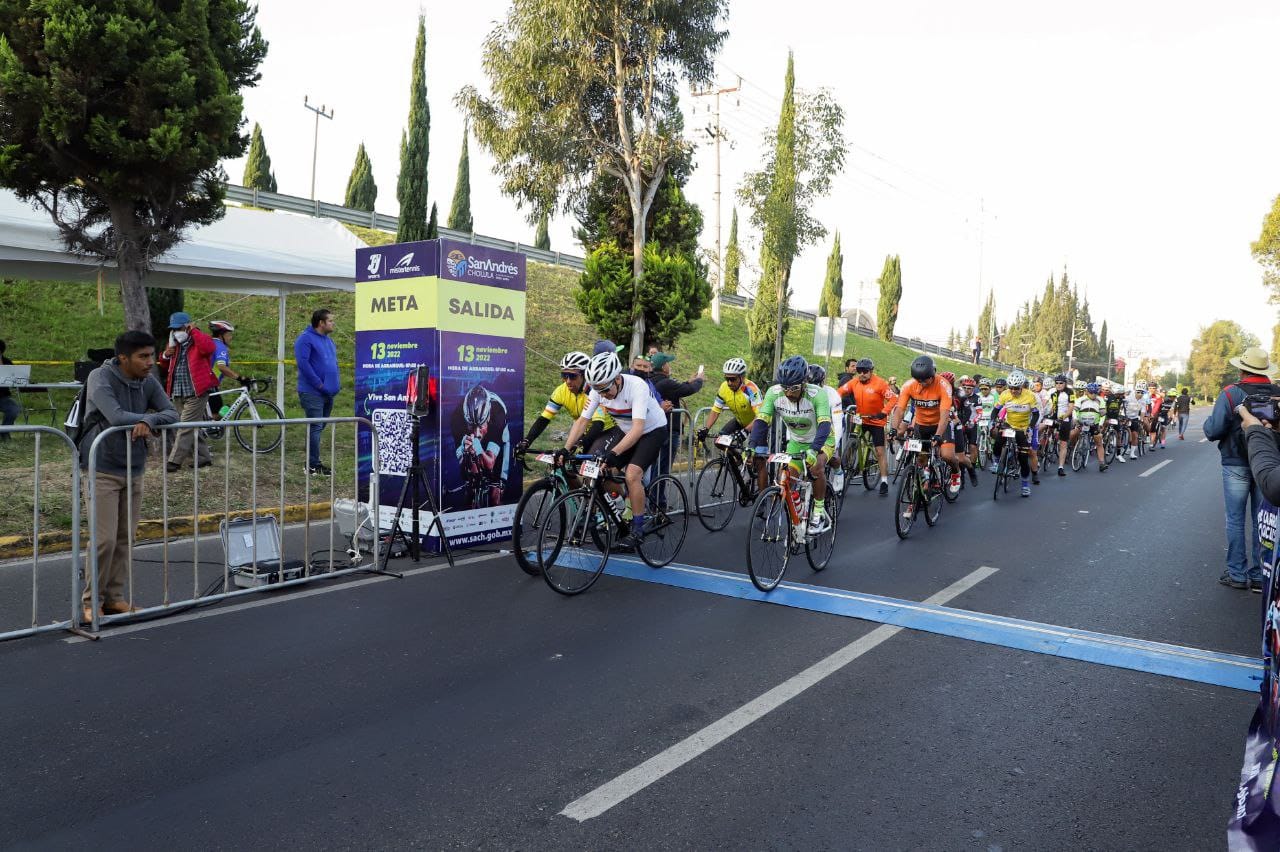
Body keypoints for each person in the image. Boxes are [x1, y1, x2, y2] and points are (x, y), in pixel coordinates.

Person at [79, 331, 178, 622]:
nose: (150, 362)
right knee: (104, 540)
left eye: (151, 355)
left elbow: (172, 413)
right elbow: (117, 416)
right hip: (102, 467)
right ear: (123, 358)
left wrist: (150, 419)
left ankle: (114, 598)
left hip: (134, 468)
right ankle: (91, 601)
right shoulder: (100, 377)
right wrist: (147, 417)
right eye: (143, 357)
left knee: (125, 538)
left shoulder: (147, 381)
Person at [560, 350, 669, 551]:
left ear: (617, 379)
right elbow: (583, 421)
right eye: (598, 391)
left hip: (652, 431)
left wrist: (613, 453)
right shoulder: (597, 389)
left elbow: (638, 430)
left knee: (632, 474)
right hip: (626, 430)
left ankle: (637, 530)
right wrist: (565, 449)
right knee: (602, 470)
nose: (603, 395)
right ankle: (620, 509)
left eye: (605, 390)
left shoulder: (637, 387)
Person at [1204, 347, 1280, 591]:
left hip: (1236, 462)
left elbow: (1213, 430)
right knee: (1264, 520)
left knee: (1235, 519)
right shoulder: (1278, 394)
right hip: (1269, 464)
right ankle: (1260, 575)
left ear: (1241, 369)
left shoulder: (1230, 393)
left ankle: (1237, 573)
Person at [748, 355, 833, 535]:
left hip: (822, 439)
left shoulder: (817, 394)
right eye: (785, 388)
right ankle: (800, 512)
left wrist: (814, 450)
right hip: (797, 441)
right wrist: (752, 446)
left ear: (804, 383)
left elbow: (825, 425)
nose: (788, 393)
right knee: (783, 480)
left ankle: (818, 512)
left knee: (816, 467)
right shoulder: (774, 392)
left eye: (794, 388)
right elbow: (762, 421)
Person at [517, 351, 611, 455]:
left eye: (572, 376)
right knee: (564, 460)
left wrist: (580, 445)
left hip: (606, 430)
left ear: (585, 375)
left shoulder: (594, 392)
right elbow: (544, 419)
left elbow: (598, 424)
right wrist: (527, 441)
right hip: (582, 430)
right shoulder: (561, 391)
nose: (568, 381)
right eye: (564, 375)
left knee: (591, 463)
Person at [888, 355, 961, 487]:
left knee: (947, 456)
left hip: (940, 424)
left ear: (933, 374)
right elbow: (899, 410)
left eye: (925, 380)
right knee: (921, 459)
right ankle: (921, 492)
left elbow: (945, 415)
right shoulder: (909, 385)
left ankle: (956, 473)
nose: (921, 383)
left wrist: (938, 435)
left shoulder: (943, 385)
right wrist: (893, 429)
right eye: (918, 379)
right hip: (921, 425)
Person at [157, 311, 216, 472]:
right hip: (177, 390)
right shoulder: (174, 344)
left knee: (185, 426)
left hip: (197, 391)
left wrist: (194, 331)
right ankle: (204, 458)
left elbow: (208, 348)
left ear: (187, 326)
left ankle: (174, 462)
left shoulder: (199, 339)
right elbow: (163, 365)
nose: (176, 331)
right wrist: (164, 355)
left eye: (180, 328)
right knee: (190, 426)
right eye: (174, 329)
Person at [837, 358, 894, 494]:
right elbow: (839, 392)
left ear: (871, 371)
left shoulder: (880, 383)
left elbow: (893, 399)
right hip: (860, 418)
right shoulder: (854, 382)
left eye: (865, 371)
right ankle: (849, 466)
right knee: (852, 441)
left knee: (880, 452)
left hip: (876, 421)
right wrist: (836, 404)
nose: (862, 374)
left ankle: (884, 481)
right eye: (859, 371)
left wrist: (883, 412)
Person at [294, 308, 340, 475]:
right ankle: (313, 465)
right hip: (312, 392)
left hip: (328, 393)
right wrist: (320, 385)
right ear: (321, 323)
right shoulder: (305, 339)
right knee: (315, 426)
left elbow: (333, 364)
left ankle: (312, 461)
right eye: (330, 321)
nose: (333, 323)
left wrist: (336, 384)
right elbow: (304, 365)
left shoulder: (329, 341)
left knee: (319, 427)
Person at [453, 384, 511, 508]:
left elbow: (490, 464)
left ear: (488, 417)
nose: (476, 433)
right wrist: (464, 450)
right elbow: (462, 464)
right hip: (468, 431)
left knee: (495, 494)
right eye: (472, 426)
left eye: (480, 426)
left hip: (497, 435)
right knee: (469, 485)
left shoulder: (497, 414)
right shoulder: (457, 418)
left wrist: (479, 449)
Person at [651, 351, 704, 477]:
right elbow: (688, 390)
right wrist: (699, 380)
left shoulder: (651, 381)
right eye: (668, 363)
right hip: (668, 430)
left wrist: (688, 381)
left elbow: (678, 388)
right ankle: (657, 496)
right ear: (664, 366)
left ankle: (651, 493)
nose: (669, 366)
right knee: (663, 469)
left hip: (654, 430)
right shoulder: (666, 383)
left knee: (654, 466)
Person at [992, 371, 1039, 497]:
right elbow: (996, 409)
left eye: (1016, 388)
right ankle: (996, 462)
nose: (1013, 391)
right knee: (998, 441)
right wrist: (993, 421)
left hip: (1023, 427)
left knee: (1023, 459)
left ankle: (1025, 485)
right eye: (1011, 388)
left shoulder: (1030, 396)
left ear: (1022, 386)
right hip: (1009, 425)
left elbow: (1036, 414)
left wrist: (1031, 427)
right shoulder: (1005, 394)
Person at [697, 357, 762, 440]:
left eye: (733, 379)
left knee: (752, 450)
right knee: (721, 440)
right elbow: (716, 410)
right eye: (727, 379)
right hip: (740, 422)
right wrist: (706, 428)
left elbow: (760, 415)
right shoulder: (724, 387)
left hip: (756, 423)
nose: (729, 383)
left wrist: (745, 431)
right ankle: (734, 453)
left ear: (742, 377)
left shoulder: (751, 390)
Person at [1071, 382, 1108, 471]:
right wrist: (1075, 419)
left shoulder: (1101, 400)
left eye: (1095, 393)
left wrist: (1100, 424)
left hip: (1094, 424)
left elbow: (1103, 415)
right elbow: (1074, 411)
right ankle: (1072, 449)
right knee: (1072, 434)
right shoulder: (1081, 399)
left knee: (1099, 442)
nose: (1093, 395)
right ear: (1087, 391)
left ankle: (1102, 463)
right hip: (1081, 422)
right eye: (1091, 392)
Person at [1043, 375, 1075, 477]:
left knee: (1063, 443)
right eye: (1057, 383)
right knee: (1042, 426)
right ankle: (1044, 445)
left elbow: (1070, 408)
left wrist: (1063, 417)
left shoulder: (1070, 392)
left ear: (1065, 383)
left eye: (1061, 383)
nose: (1059, 385)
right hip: (1054, 417)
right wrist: (1048, 413)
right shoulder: (1053, 393)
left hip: (1065, 419)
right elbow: (1054, 406)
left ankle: (1060, 467)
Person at [209, 320, 242, 387]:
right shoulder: (220, 347)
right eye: (229, 334)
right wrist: (240, 378)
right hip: (210, 385)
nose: (231, 337)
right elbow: (221, 366)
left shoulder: (211, 342)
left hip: (205, 382)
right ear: (221, 335)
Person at [0, 339, 20, 438]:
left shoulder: (7, 362)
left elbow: (15, 379)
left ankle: (4, 433)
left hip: (3, 397)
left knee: (14, 409)